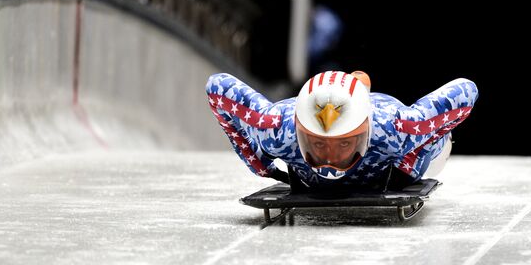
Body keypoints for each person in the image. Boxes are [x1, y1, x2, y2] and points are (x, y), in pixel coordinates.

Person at [205, 71, 478, 190]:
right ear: (298, 131)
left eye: (344, 144)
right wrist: (258, 163)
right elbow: (216, 87)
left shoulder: (398, 130)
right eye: (318, 143)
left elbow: (467, 90)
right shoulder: (275, 128)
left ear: (366, 134)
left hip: (388, 120)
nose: (330, 158)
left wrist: (409, 164)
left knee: (434, 161)